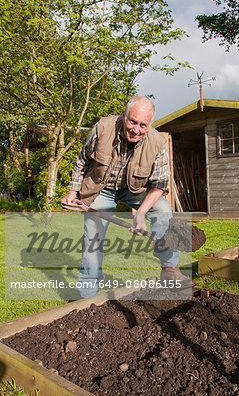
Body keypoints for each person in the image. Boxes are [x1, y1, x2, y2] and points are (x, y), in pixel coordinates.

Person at [61, 96, 194, 298]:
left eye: (143, 125)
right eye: (132, 122)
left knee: (163, 209)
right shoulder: (103, 128)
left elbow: (159, 185)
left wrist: (140, 214)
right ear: (124, 116)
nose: (136, 129)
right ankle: (87, 296)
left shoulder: (157, 142)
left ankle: (170, 270)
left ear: (149, 124)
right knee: (93, 236)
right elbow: (82, 160)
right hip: (101, 187)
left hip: (135, 190)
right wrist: (72, 191)